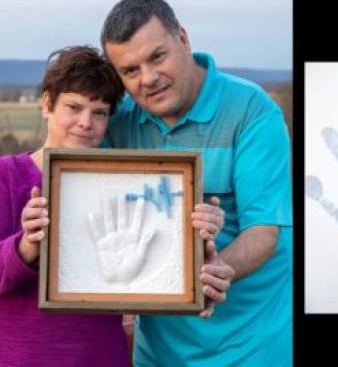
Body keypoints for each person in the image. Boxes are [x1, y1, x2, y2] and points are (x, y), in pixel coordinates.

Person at [0, 45, 227, 366]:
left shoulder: (125, 185)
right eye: (73, 107)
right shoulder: (6, 176)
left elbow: (157, 274)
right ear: (47, 104)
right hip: (21, 358)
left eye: (99, 112)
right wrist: (25, 247)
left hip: (102, 356)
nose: (85, 122)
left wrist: (194, 261)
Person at [101, 0, 293, 366]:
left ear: (183, 40)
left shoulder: (252, 111)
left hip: (251, 347)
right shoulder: (119, 120)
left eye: (157, 57)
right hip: (156, 352)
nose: (148, 79)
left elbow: (264, 231)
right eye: (130, 71)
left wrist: (216, 271)